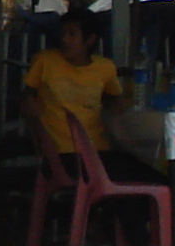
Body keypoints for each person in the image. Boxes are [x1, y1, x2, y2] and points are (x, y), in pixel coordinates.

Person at [23, 11, 126, 157]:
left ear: (90, 40)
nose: (64, 39)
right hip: (57, 153)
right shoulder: (44, 61)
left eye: (72, 34)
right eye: (63, 33)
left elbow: (116, 102)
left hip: (96, 150)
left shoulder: (105, 68)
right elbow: (28, 97)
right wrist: (38, 131)